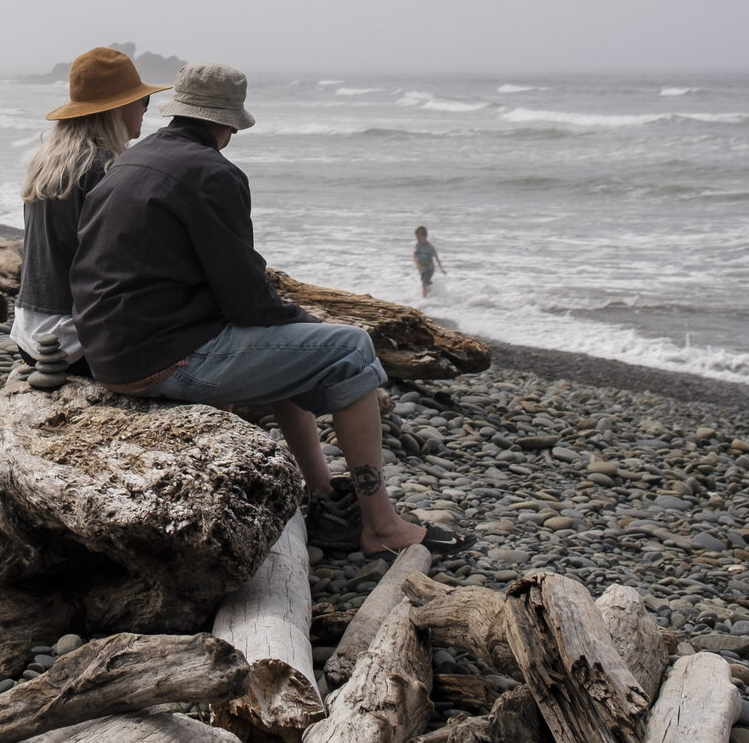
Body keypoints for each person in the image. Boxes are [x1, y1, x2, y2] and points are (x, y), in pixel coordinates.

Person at [70, 61, 461, 558]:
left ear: (178, 112)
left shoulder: (132, 160)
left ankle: (323, 495)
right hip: (161, 360)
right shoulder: (213, 173)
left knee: (296, 347)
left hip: (109, 350)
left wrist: (291, 326)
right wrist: (307, 323)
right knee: (351, 347)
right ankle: (381, 526)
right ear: (229, 123)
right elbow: (246, 298)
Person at [14, 47, 168, 375]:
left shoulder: (46, 162)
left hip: (30, 334)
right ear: (118, 107)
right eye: (143, 101)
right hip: (75, 342)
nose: (144, 110)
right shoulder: (106, 168)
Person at [413, 226, 447, 297]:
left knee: (424, 284)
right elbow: (414, 256)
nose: (418, 240)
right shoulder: (417, 246)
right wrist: (417, 265)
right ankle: (431, 295)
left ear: (425, 237)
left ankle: (424, 299)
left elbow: (437, 259)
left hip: (430, 268)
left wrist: (442, 269)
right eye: (417, 238)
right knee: (425, 285)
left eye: (419, 238)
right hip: (422, 269)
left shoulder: (430, 247)